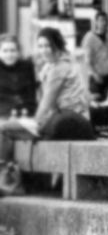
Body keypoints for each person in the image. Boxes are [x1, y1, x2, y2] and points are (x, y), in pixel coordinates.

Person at [0, 26, 93, 160]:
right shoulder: (50, 66)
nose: (43, 50)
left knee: (4, 129)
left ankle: (4, 172)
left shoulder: (59, 68)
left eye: (47, 46)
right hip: (62, 117)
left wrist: (34, 123)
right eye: (40, 46)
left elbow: (46, 102)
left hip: (69, 121)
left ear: (56, 45)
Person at [81, 11, 108, 101]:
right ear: (96, 22)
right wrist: (95, 74)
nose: (104, 23)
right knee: (96, 101)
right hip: (96, 75)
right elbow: (87, 60)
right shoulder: (90, 37)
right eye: (101, 20)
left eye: (105, 20)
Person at [0, 33, 37, 120]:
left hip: (25, 113)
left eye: (12, 50)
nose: (9, 54)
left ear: (18, 52)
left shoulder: (27, 66)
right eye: (5, 51)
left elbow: (32, 94)